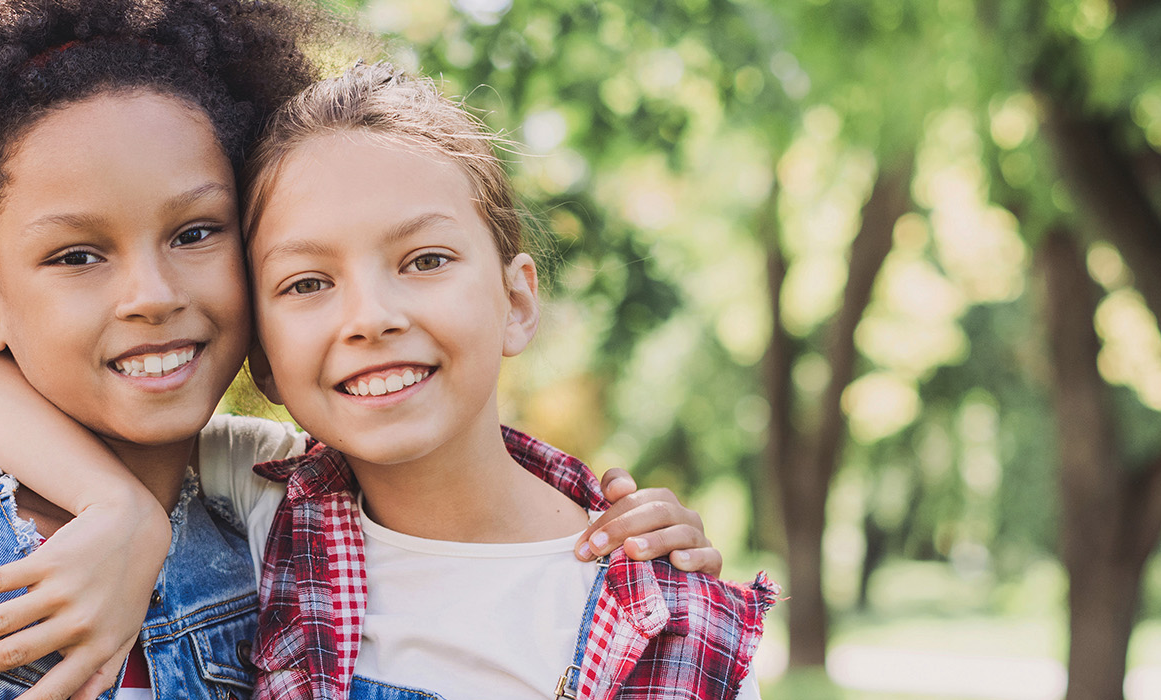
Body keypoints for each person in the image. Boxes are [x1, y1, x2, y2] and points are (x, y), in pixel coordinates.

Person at [0, 0, 725, 697]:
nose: (153, 295)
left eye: (197, 232)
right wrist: (117, 511)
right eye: (78, 254)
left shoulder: (272, 515)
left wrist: (631, 537)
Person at [226, 63, 779, 699]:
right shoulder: (249, 498)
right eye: (307, 283)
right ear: (260, 356)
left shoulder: (669, 628)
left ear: (515, 303)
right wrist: (117, 504)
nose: (371, 318)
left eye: (425, 260)